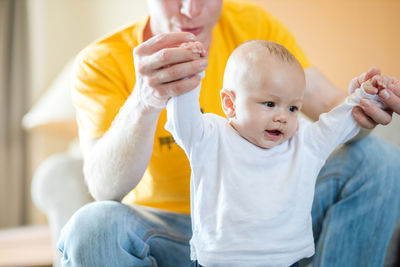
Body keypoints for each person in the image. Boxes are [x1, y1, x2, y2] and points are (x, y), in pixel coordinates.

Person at [57, 0, 400, 266]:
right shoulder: (100, 61)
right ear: (228, 104)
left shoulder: (254, 26)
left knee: (380, 160)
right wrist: (145, 100)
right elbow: (104, 188)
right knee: (92, 225)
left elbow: (329, 107)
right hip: (170, 234)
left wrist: (365, 103)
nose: (191, 10)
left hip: (272, 224)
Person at [165, 40, 386, 267]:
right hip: (220, 262)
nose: (283, 117)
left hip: (288, 262)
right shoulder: (210, 137)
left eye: (293, 108)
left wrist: (368, 97)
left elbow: (338, 123)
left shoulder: (304, 142)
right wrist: (187, 74)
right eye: (270, 103)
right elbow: (183, 120)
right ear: (230, 104)